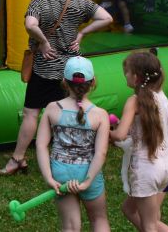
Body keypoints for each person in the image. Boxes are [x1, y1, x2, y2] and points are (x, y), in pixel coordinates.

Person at [0, 0, 114, 175]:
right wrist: (82, 33)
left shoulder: (39, 1)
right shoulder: (78, 2)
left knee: (31, 113)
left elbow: (30, 25)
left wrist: (43, 42)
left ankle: (18, 158)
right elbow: (107, 18)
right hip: (70, 71)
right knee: (71, 111)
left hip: (45, 69)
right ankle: (74, 157)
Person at [35, 56, 111, 232]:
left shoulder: (52, 108)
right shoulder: (100, 115)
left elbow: (41, 145)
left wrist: (49, 178)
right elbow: (101, 153)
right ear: (93, 82)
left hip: (60, 174)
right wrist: (88, 181)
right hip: (88, 173)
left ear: (64, 82)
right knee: (98, 219)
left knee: (70, 226)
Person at [110, 50, 168, 232]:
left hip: (146, 169)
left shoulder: (134, 101)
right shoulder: (158, 98)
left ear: (136, 77)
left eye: (127, 71)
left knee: (149, 225)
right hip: (165, 168)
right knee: (149, 220)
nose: (125, 75)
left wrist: (106, 132)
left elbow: (120, 135)